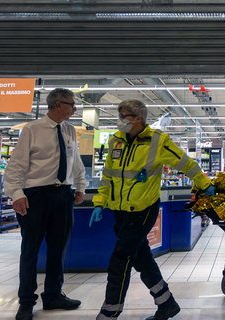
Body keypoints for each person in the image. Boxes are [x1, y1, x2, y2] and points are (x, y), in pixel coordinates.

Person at [90, 99, 214, 320]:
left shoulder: (158, 141)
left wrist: (205, 184)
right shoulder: (115, 142)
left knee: (120, 259)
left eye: (123, 116)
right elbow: (108, 174)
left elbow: (186, 163)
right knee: (142, 258)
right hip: (120, 211)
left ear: (138, 118)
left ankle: (109, 312)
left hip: (143, 209)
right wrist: (99, 202)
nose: (119, 121)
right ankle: (166, 303)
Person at [4, 88, 87, 320]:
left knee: (58, 248)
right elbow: (17, 165)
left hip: (63, 194)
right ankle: (26, 301)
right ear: (58, 104)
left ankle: (53, 294)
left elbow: (75, 161)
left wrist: (79, 185)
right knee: (30, 249)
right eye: (72, 104)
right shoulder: (32, 129)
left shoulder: (69, 130)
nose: (75, 108)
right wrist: (17, 193)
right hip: (36, 195)